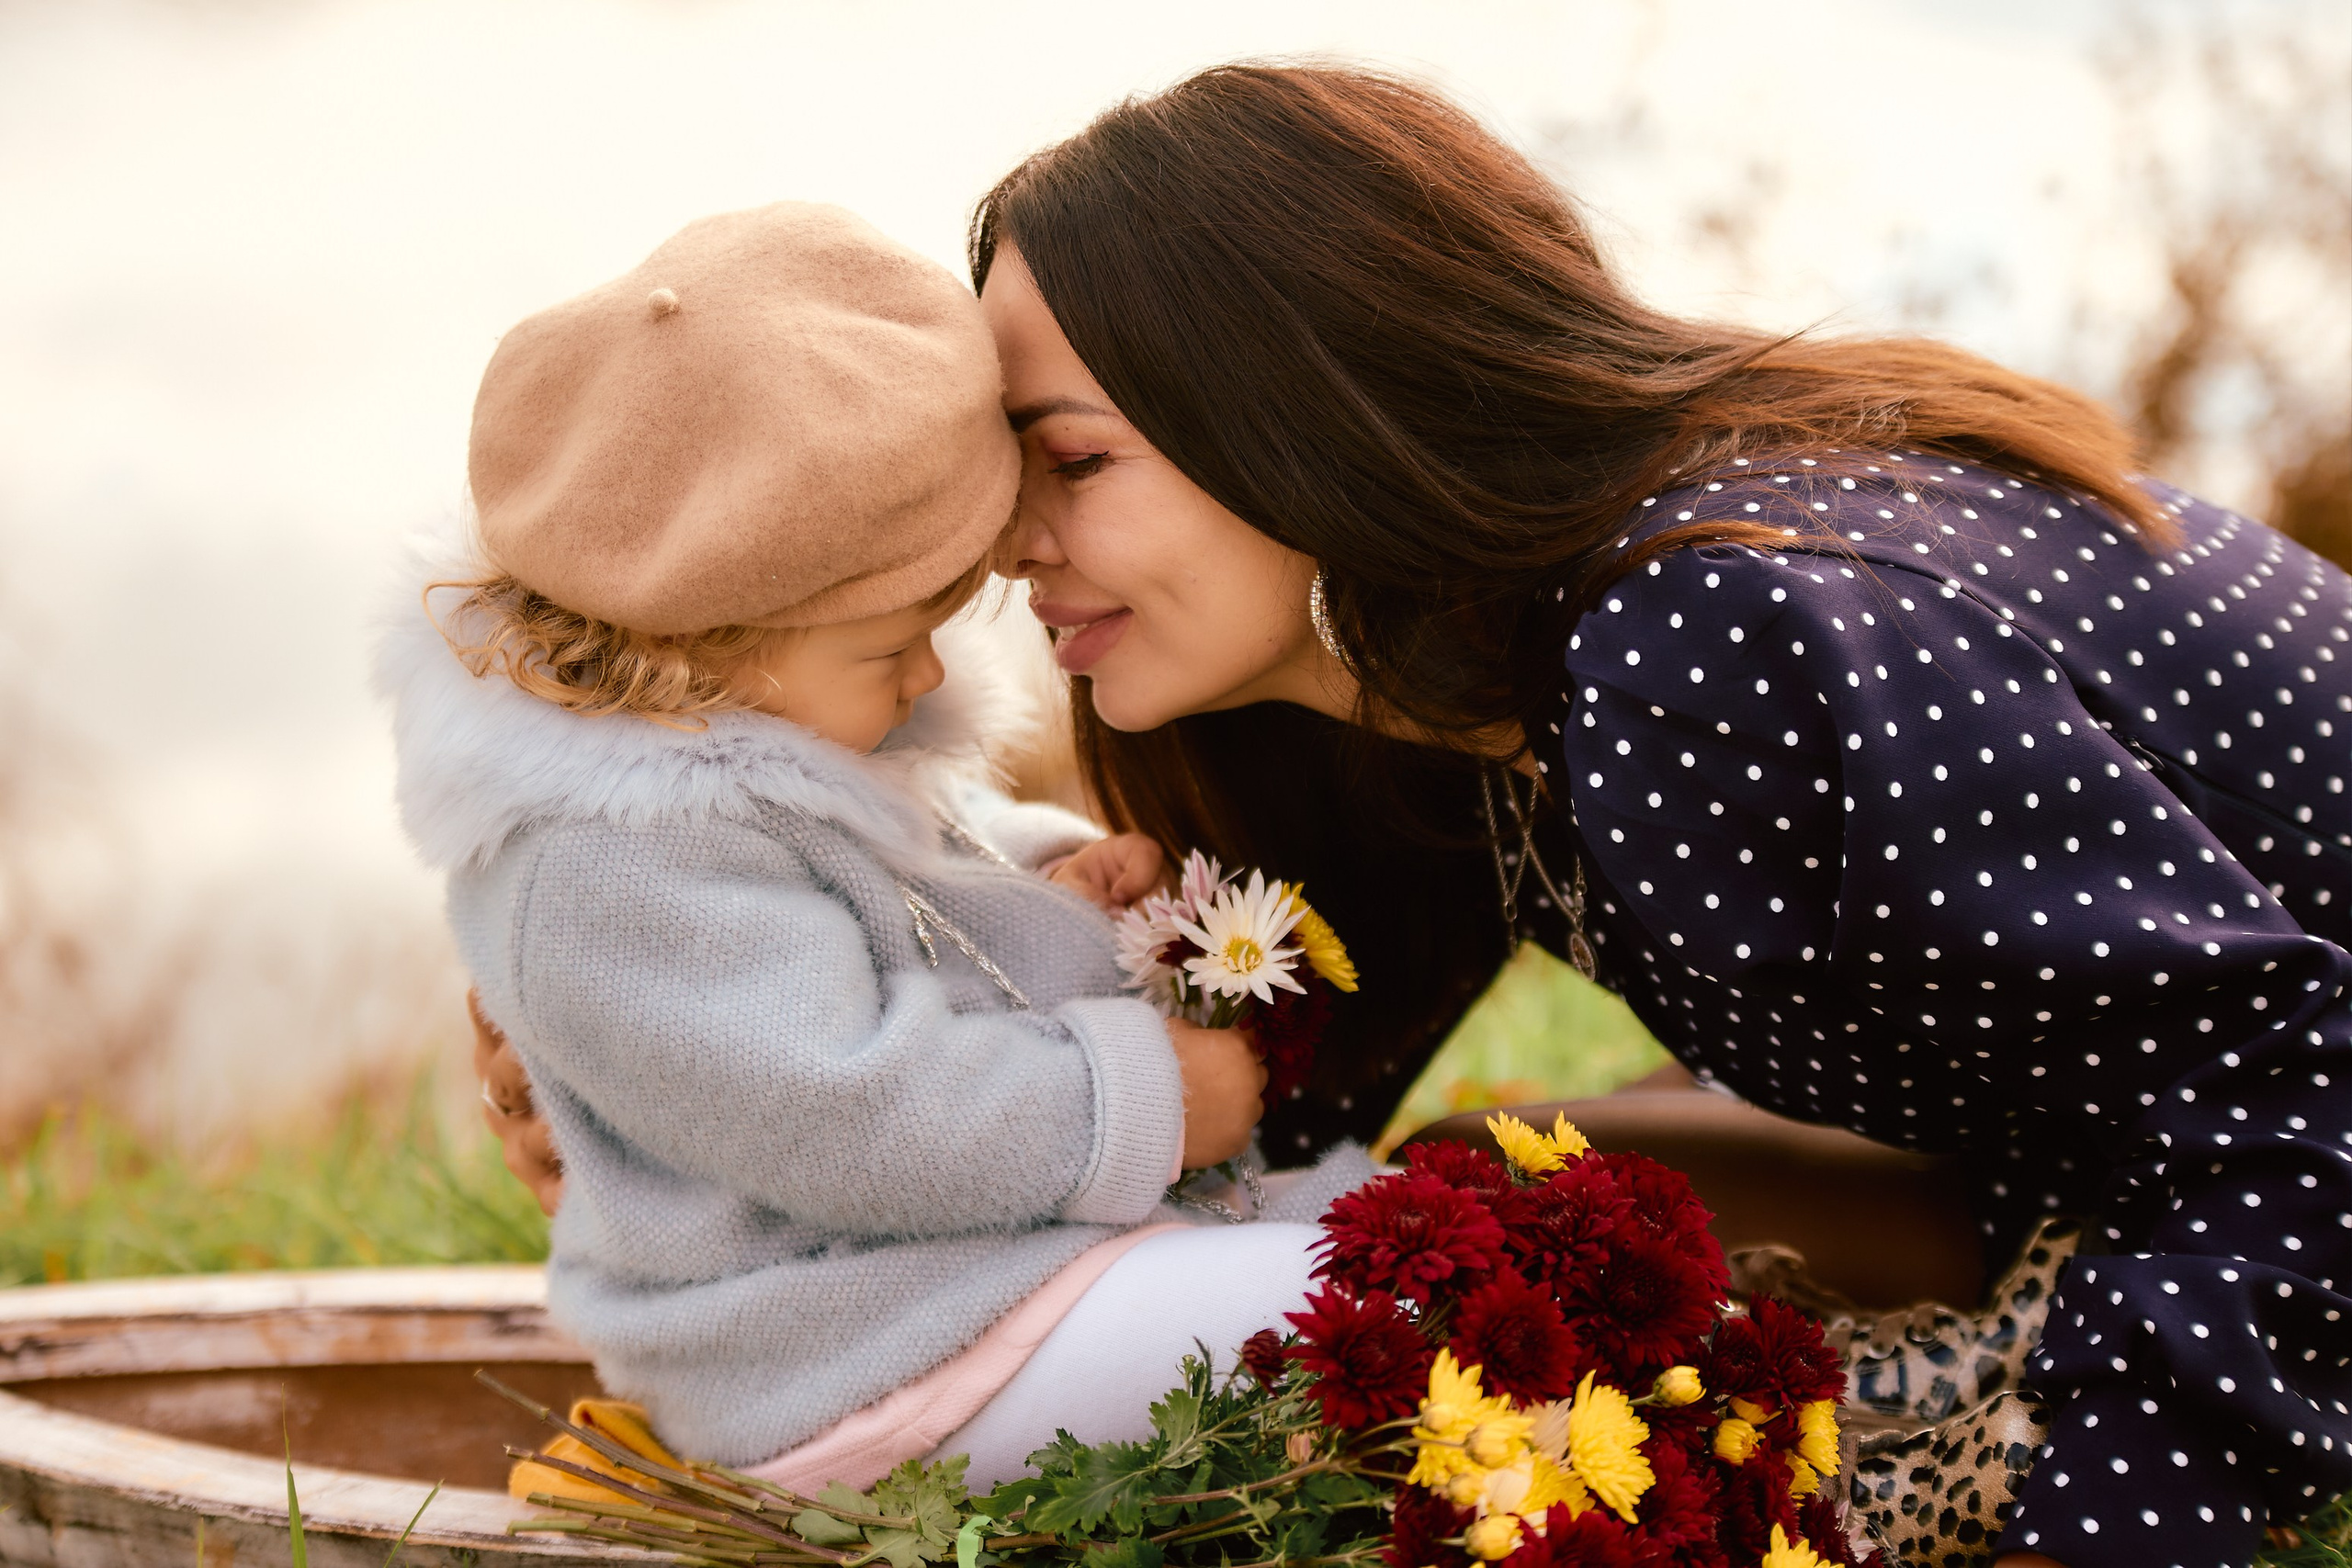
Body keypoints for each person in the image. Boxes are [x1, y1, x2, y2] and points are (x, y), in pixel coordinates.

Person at [476, 65, 2349, 1566]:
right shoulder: (1411, 688)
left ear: (1288, 408)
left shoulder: (1708, 625)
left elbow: (2297, 1085)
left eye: (1066, 461)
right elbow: (1271, 1118)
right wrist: (701, 1089)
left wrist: (2086, 1521)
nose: (1001, 545)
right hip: (2099, 1146)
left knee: (1744, 1441)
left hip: (2288, 1137)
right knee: (1487, 1198)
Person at [390, 201, 1366, 1484]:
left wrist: (1052, 873)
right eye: (887, 644)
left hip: (967, 1288)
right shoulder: (606, 872)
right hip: (854, 1356)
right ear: (698, 653)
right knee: (1386, 1309)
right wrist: (1147, 1100)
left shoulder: (758, 752)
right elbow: (844, 1107)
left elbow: (897, 878)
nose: (922, 673)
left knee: (1421, 1248)